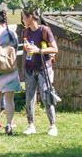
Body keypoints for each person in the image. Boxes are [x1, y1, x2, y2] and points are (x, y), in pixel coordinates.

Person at [19, 7, 58, 136]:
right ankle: (31, 125)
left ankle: (52, 126)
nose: (22, 20)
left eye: (23, 17)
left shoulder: (45, 30)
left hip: (44, 69)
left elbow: (55, 49)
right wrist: (23, 69)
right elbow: (25, 52)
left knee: (46, 97)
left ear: (30, 17)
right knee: (29, 98)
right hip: (30, 69)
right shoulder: (25, 32)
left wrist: (38, 50)